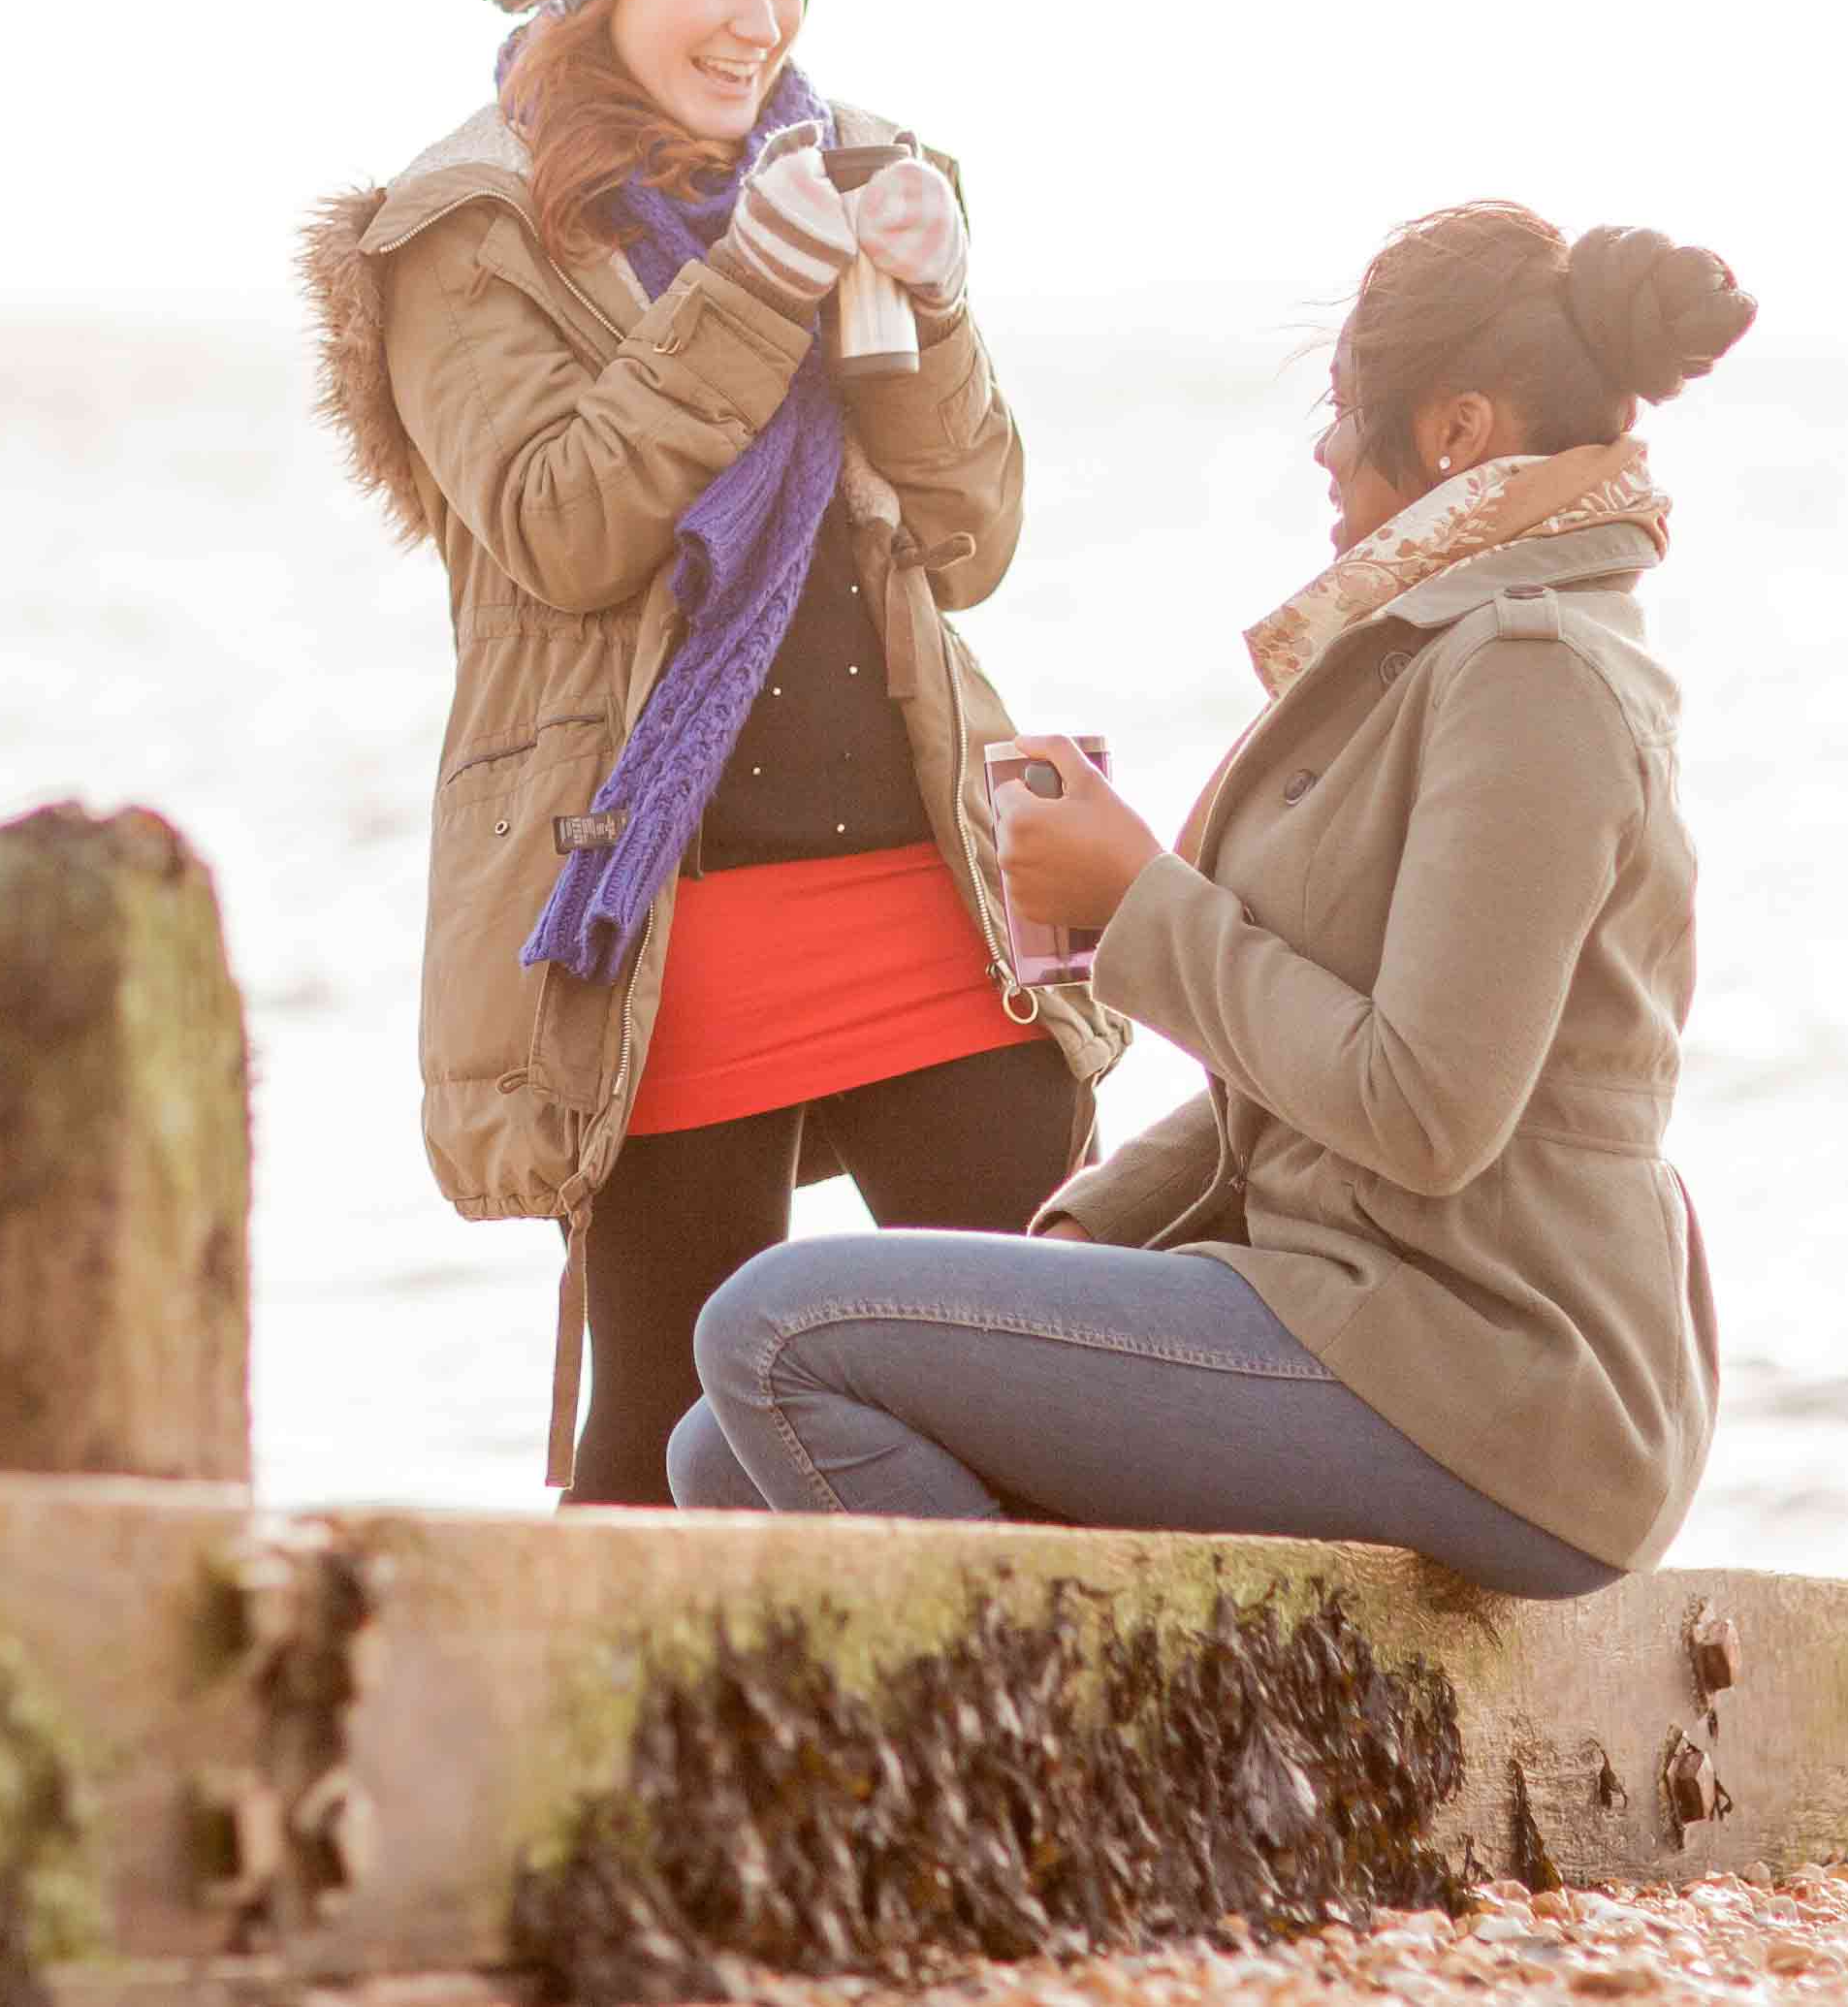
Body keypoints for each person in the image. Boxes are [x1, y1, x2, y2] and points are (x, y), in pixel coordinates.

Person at [665, 200, 1751, 1591]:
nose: (1321, 444)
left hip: (1497, 1372)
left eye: (1344, 403)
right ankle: (1041, 1756)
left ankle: (1042, 1780)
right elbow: (1293, 1075)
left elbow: (1423, 1108)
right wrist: (1072, 1253)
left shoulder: (1529, 670)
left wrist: (1135, 908)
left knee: (773, 1325)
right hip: (1354, 1313)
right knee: (719, 1456)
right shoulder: (1429, 646)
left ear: (1456, 429)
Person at [301, 0, 1125, 1504]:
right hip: (663, 920)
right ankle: (600, 1774)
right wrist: (754, 286)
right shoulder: (466, 231)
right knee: (660, 1451)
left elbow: (966, 538)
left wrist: (935, 307)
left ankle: (1014, 1768)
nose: (759, 25)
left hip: (928, 886)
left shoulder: (856, 171)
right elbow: (559, 525)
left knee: (1055, 1392)